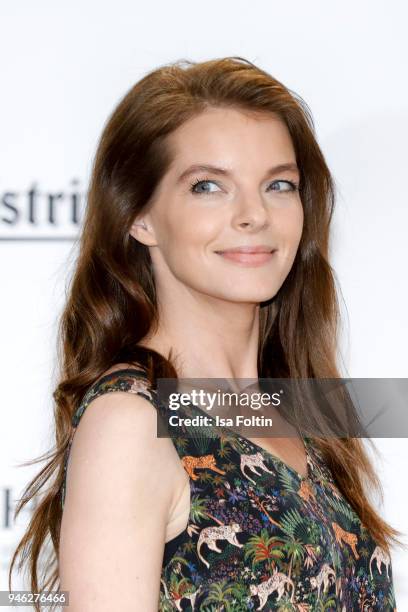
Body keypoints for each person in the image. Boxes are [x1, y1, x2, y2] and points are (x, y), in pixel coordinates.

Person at [9, 56, 405, 611]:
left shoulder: (302, 412)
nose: (253, 214)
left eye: (280, 185)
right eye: (207, 186)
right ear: (138, 216)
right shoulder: (134, 422)